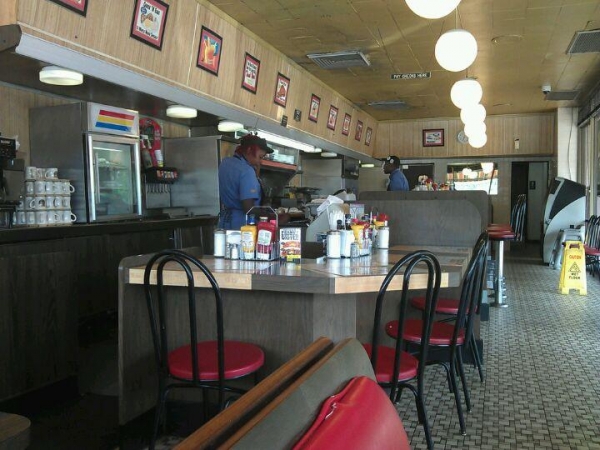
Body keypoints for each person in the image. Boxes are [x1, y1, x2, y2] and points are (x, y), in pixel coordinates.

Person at [218, 134, 273, 229]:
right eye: (260, 157)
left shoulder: (225, 163)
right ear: (249, 150)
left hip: (225, 221)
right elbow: (249, 209)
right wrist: (272, 217)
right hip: (242, 224)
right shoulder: (247, 170)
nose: (261, 162)